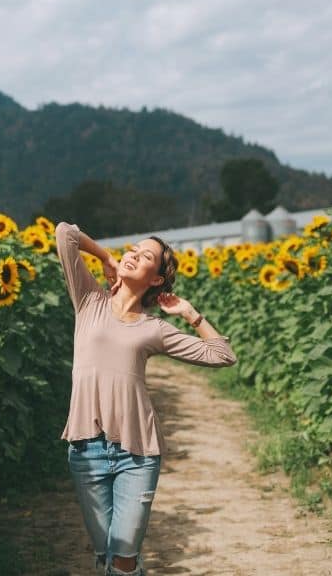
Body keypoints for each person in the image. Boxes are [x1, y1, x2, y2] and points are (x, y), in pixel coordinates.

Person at [55, 222, 237, 576]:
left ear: (156, 279)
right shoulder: (88, 300)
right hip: (86, 450)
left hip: (137, 454)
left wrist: (189, 313)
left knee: (123, 556)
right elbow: (66, 234)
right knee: (106, 552)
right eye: (133, 249)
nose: (135, 255)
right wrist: (106, 255)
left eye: (146, 256)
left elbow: (221, 355)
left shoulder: (154, 328)